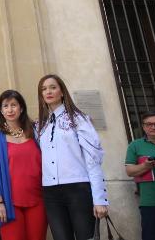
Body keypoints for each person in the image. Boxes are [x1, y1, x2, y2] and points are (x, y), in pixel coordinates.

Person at [36, 74, 108, 240]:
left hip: (78, 189)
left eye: (53, 87)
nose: (48, 92)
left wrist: (100, 199)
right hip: (50, 192)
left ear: (62, 92)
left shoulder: (79, 119)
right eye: (44, 89)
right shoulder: (41, 125)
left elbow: (93, 160)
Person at [0, 90, 46, 240]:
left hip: (38, 199)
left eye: (13, 105)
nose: (10, 110)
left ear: (21, 108)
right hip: (8, 202)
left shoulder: (35, 130)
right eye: (5, 106)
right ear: (1, 111)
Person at [125, 111, 155, 240]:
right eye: (149, 124)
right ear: (143, 127)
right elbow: (129, 171)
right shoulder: (135, 145)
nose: (154, 127)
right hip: (150, 202)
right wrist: (146, 166)